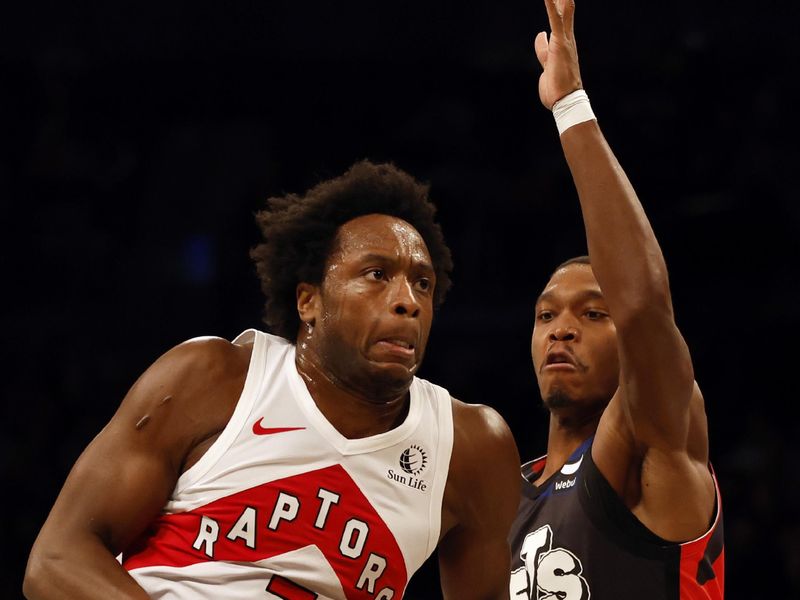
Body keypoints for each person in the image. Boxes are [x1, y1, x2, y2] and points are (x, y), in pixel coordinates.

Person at [24, 160, 522, 599]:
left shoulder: (470, 447)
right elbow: (58, 559)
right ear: (308, 301)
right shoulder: (213, 379)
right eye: (376, 274)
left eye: (423, 283)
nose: (407, 300)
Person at [508, 1, 724, 599]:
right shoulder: (504, 492)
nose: (562, 329)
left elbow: (645, 310)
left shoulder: (651, 440)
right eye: (546, 315)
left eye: (592, 313)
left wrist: (571, 106)